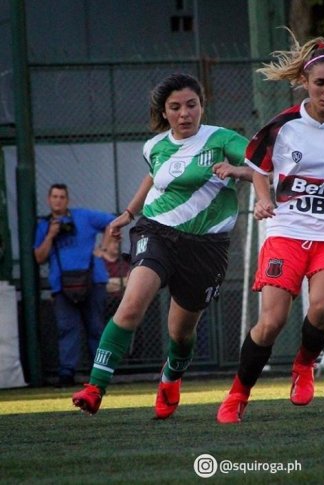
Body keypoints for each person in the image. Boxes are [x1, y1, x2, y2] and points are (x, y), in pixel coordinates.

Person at [216, 30, 324, 424]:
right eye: (320, 83)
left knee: (322, 308)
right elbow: (258, 167)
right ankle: (238, 394)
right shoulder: (283, 125)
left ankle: (304, 365)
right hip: (286, 230)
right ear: (305, 83)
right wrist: (263, 199)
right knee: (272, 322)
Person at [72, 73, 253, 418]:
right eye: (176, 107)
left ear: (202, 106)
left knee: (181, 333)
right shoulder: (153, 146)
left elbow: (263, 166)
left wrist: (237, 170)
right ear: (164, 112)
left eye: (191, 105)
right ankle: (95, 388)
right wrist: (129, 212)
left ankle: (170, 380)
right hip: (157, 233)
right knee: (131, 305)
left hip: (206, 247)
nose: (185, 113)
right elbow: (155, 176)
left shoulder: (222, 138)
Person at [34, 183, 116, 387]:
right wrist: (51, 235)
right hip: (62, 285)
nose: (58, 200)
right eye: (54, 197)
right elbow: (39, 257)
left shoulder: (84, 216)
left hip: (92, 280)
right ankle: (66, 374)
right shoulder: (44, 225)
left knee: (96, 328)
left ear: (67, 200)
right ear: (48, 199)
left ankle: (100, 374)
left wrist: (103, 247)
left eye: (62, 197)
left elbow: (114, 221)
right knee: (66, 329)